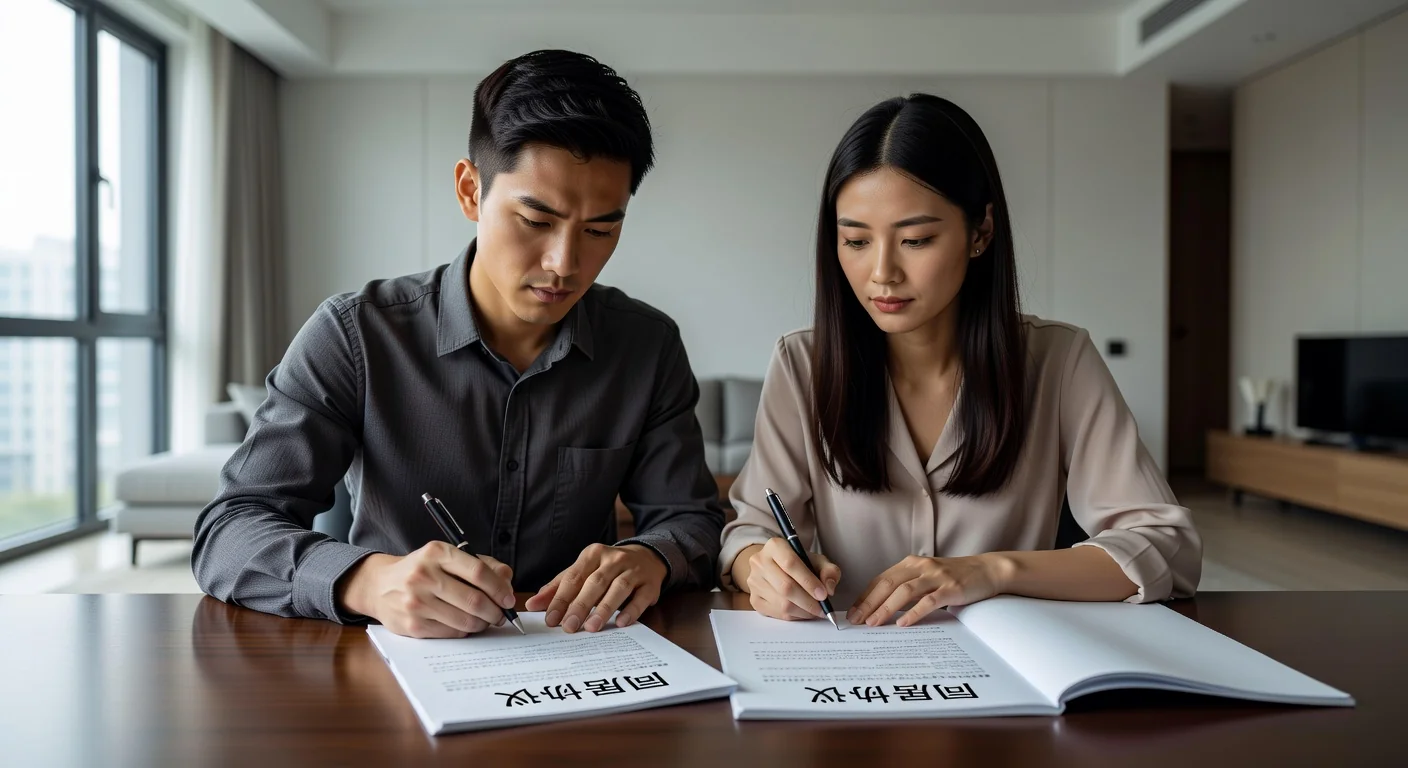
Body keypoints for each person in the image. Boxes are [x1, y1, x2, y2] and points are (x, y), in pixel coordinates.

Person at [194, 50, 723, 638]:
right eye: (536, 220)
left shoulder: (646, 346)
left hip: (578, 661)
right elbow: (230, 530)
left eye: (601, 229)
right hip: (392, 669)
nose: (565, 264)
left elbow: (691, 521)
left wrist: (650, 556)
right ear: (471, 191)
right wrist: (367, 580)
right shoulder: (356, 335)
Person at [721, 94, 1201, 627]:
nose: (882, 272)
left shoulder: (1058, 361)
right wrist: (760, 567)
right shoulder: (802, 365)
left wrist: (990, 571)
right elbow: (749, 531)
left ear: (981, 233)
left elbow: (1167, 548)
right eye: (855, 240)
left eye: (916, 239)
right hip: (852, 669)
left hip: (1013, 670)